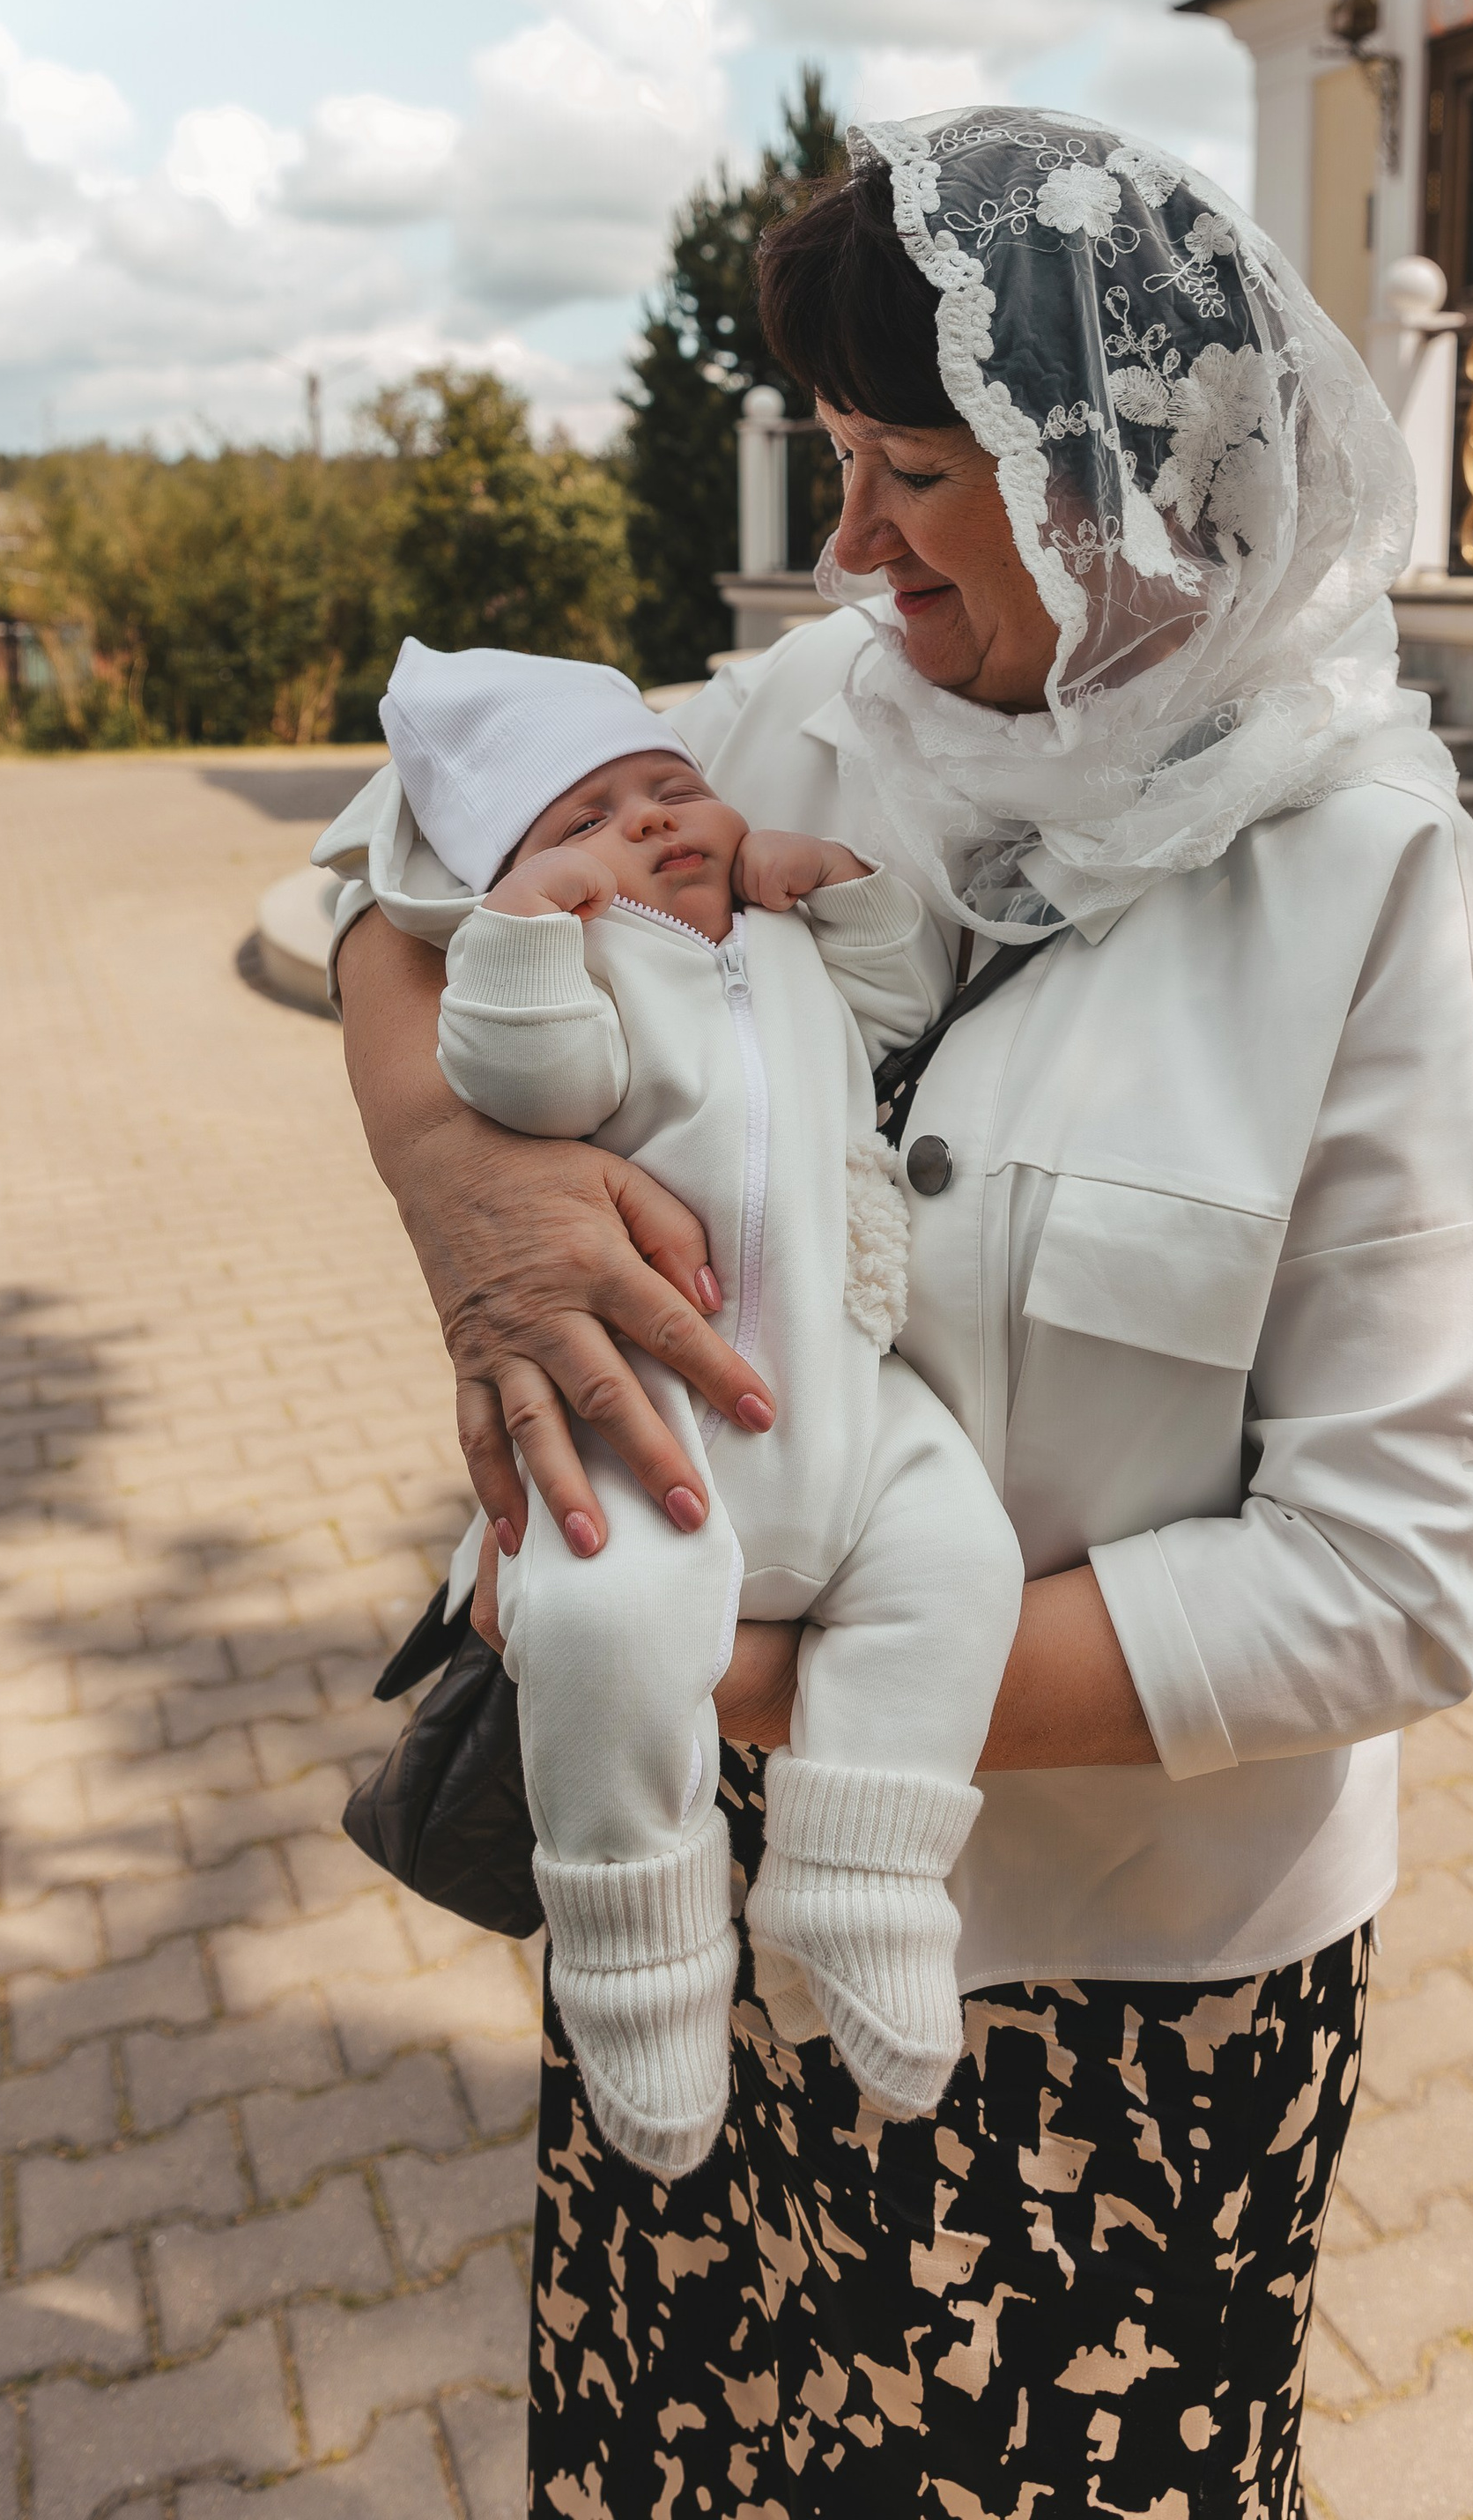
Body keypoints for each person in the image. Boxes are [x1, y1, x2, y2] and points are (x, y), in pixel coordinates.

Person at [334, 107, 1473, 2516]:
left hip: (1109, 2019)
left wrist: (790, 1685)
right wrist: (451, 1179)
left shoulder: (1390, 912)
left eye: (915, 468)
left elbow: (1396, 1578)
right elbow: (385, 890)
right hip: (685, 1927)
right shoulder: (799, 724)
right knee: (679, 2457)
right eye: (840, 459)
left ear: (1114, 475)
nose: (843, 542)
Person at [316, 640, 1023, 2180]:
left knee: (961, 1569)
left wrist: (821, 884)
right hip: (654, 1427)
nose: (652, 821)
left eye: (675, 789)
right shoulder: (583, 969)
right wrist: (521, 940)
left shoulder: (778, 945)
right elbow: (531, 1086)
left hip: (852, 1399)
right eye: (593, 817)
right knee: (596, 1628)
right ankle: (634, 1962)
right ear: (521, 873)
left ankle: (869, 1883)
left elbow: (906, 995)